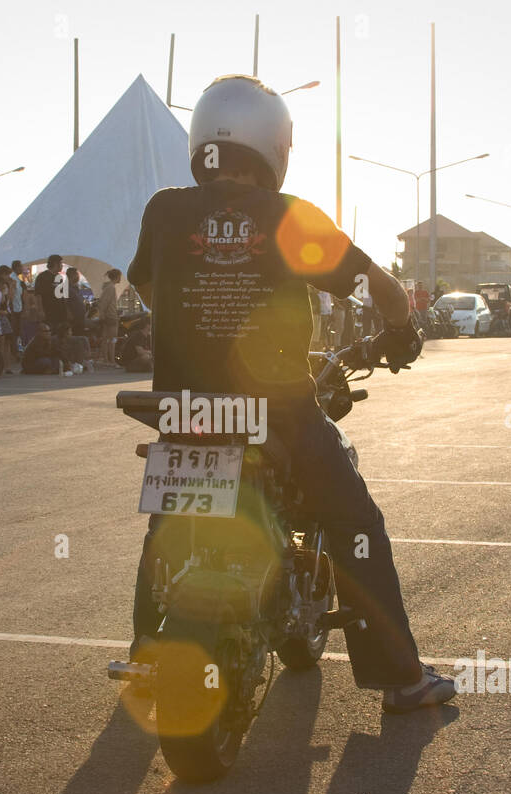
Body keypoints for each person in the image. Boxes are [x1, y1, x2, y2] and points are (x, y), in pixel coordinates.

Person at [125, 74, 452, 712]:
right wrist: (401, 329)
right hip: (279, 410)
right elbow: (378, 284)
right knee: (355, 524)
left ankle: (146, 652)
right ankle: (402, 678)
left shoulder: (163, 211)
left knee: (170, 516)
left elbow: (148, 289)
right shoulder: (287, 216)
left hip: (186, 410)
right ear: (274, 145)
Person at [34, 254, 70, 335]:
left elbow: (62, 296)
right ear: (55, 264)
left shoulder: (59, 277)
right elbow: (38, 295)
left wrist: (66, 311)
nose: (62, 265)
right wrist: (40, 310)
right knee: (50, 334)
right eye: (61, 263)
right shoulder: (42, 277)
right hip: (48, 312)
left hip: (60, 313)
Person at [97, 268, 121, 365]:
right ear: (117, 277)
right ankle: (111, 360)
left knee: (106, 339)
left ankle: (106, 359)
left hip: (108, 316)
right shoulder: (111, 288)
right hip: (111, 316)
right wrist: (103, 314)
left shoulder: (108, 287)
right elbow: (105, 302)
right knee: (112, 339)